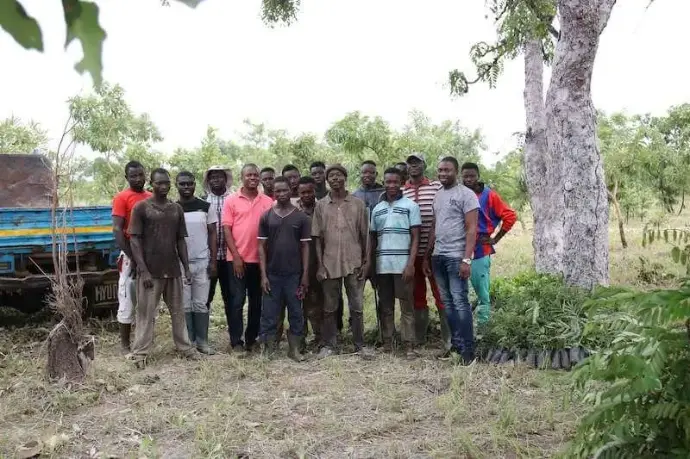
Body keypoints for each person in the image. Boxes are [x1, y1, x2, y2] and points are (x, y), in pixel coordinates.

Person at [128, 168, 197, 367]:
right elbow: (134, 240)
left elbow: (180, 240)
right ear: (152, 185)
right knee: (146, 313)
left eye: (166, 182)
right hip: (150, 271)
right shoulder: (141, 208)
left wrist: (186, 268)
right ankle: (140, 353)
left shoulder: (176, 209)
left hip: (172, 269)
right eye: (159, 183)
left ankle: (185, 348)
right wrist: (143, 270)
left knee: (178, 312)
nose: (164, 186)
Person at [312, 164, 371, 359]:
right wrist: (320, 265)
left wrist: (367, 262)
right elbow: (317, 238)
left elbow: (366, 236)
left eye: (339, 175)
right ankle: (330, 345)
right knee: (329, 308)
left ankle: (360, 345)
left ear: (345, 178)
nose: (335, 178)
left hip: (354, 262)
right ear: (327, 180)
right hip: (329, 263)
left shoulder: (358, 204)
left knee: (357, 307)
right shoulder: (321, 205)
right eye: (331, 176)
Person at [423, 157, 479, 364]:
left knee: (460, 302)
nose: (443, 173)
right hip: (438, 256)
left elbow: (472, 229)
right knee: (447, 303)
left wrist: (466, 259)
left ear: (456, 171)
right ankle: (455, 345)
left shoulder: (467, 195)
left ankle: (468, 351)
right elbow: (434, 226)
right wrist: (427, 255)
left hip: (456, 256)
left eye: (447, 170)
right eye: (440, 170)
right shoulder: (438, 195)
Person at [368, 168, 421, 356]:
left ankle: (409, 344)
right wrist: (371, 266)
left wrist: (410, 264)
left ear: (401, 183)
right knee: (386, 306)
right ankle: (388, 343)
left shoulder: (411, 206)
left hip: (403, 266)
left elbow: (415, 238)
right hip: (383, 267)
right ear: (383, 183)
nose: (391, 185)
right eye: (388, 182)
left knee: (406, 306)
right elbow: (373, 240)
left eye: (395, 182)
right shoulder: (377, 209)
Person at [258, 177, 311, 361]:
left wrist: (305, 275)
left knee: (296, 312)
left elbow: (305, 247)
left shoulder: (301, 217)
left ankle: (294, 349)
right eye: (277, 191)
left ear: (291, 190)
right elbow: (261, 247)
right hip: (272, 274)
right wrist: (263, 275)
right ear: (273, 193)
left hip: (294, 275)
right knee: (269, 313)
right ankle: (268, 348)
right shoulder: (266, 216)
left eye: (284, 190)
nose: (281, 194)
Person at [222, 163, 274, 352]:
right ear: (241, 177)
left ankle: (252, 339)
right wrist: (236, 257)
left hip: (260, 261)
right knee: (236, 302)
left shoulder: (267, 201)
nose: (253, 178)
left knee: (256, 302)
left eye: (255, 175)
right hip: (237, 260)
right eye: (249, 175)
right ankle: (236, 341)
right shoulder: (231, 200)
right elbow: (227, 230)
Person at [402, 153, 451, 350]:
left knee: (441, 293)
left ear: (424, 165)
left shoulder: (436, 187)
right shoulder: (401, 191)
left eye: (418, 162)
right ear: (407, 167)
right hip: (411, 255)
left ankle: (448, 340)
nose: (414, 166)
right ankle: (420, 338)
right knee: (417, 295)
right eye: (410, 163)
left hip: (435, 252)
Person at [461, 162, 517, 324]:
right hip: (459, 249)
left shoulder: (489, 195)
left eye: (472, 176)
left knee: (482, 293)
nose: (469, 179)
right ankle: (465, 326)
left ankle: (482, 328)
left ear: (478, 176)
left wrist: (496, 238)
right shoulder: (459, 194)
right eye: (465, 176)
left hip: (480, 249)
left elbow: (510, 216)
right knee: (463, 292)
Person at [112, 161, 151, 354]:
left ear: (146, 175)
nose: (137, 179)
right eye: (133, 176)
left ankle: (145, 341)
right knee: (127, 298)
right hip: (130, 257)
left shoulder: (151, 197)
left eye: (140, 175)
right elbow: (118, 230)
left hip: (150, 255)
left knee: (148, 300)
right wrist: (133, 257)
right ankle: (125, 345)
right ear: (126, 178)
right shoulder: (121, 198)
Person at [176, 171, 218, 355]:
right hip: (180, 263)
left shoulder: (205, 206)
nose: (186, 187)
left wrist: (213, 262)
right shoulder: (173, 208)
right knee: (185, 304)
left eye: (190, 183)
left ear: (195, 184)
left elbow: (213, 234)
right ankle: (189, 342)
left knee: (200, 303)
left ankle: (202, 342)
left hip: (202, 261)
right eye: (182, 184)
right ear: (176, 185)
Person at [295, 176, 323, 348]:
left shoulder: (322, 208)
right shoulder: (293, 210)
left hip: (318, 262)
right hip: (297, 262)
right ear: (298, 193)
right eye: (303, 192)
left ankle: (320, 336)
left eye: (309, 192)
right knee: (299, 301)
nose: (306, 195)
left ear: (314, 191)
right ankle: (301, 336)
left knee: (317, 301)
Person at [203, 166, 233, 316]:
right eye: (212, 177)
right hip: (209, 257)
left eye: (219, 176)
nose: (216, 180)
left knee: (231, 298)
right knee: (205, 297)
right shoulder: (203, 201)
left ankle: (234, 331)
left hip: (230, 257)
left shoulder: (233, 199)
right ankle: (201, 330)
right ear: (208, 181)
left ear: (226, 179)